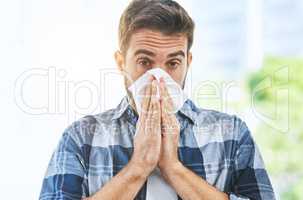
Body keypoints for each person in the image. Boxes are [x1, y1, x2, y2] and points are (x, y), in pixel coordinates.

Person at [39, 0, 276, 199]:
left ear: (188, 63)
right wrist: (138, 167)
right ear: (121, 62)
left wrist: (173, 168)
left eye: (173, 63)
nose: (159, 78)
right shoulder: (81, 137)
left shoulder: (231, 134)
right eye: (144, 62)